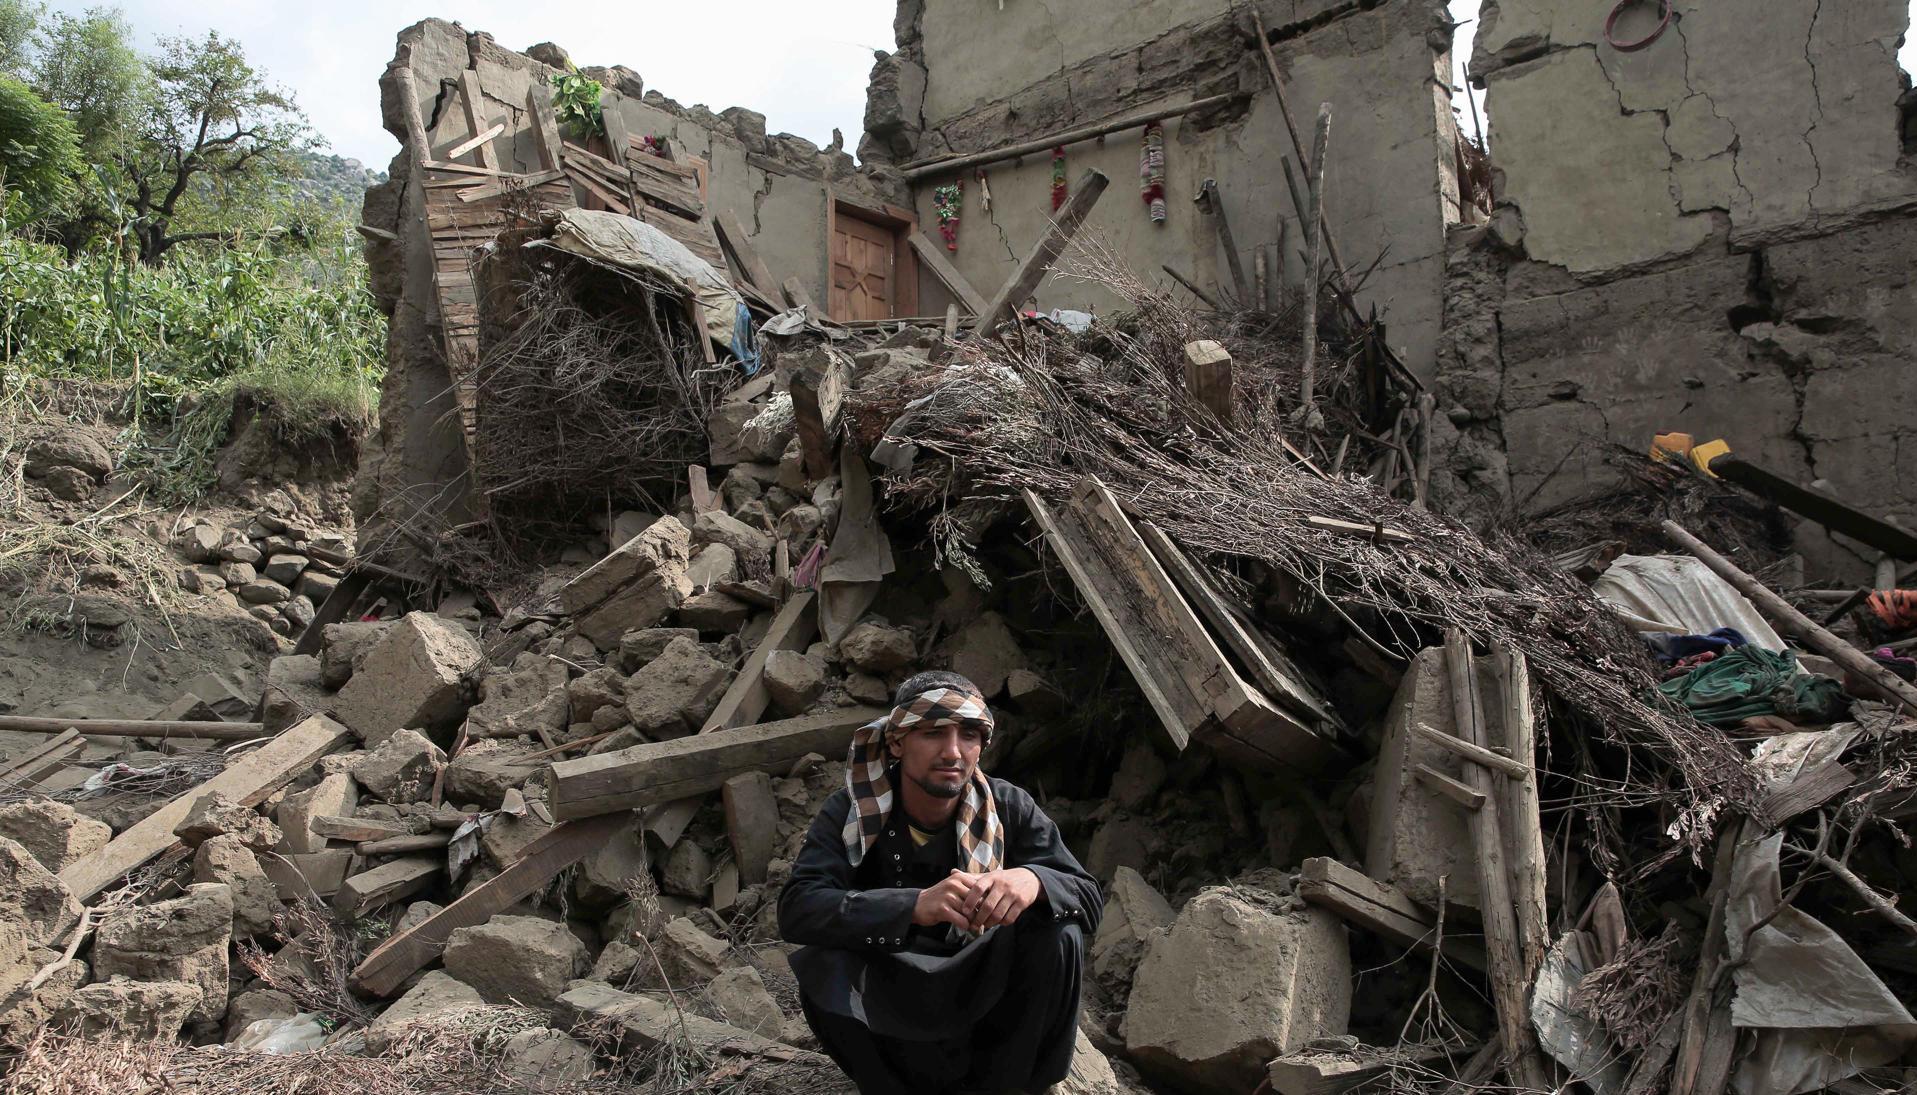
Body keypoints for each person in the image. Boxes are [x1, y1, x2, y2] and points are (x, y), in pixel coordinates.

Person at [779, 669, 1102, 1095]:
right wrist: (912, 905)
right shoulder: (852, 811)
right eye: (933, 733)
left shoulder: (1009, 806)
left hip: (990, 1005)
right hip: (899, 1001)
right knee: (824, 963)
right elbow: (798, 907)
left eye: (968, 735)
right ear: (897, 742)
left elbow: (1087, 895)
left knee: (1060, 934)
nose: (952, 752)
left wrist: (1031, 880)